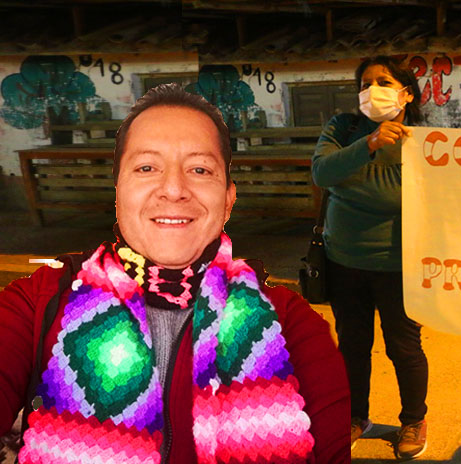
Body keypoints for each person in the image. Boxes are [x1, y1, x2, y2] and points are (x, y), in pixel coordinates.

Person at [0, 83, 351, 464]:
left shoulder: (291, 326)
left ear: (228, 199)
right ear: (118, 193)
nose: (173, 189)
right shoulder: (39, 303)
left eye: (200, 169)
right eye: (146, 168)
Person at [311, 56, 429, 460]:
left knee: (404, 348)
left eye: (383, 81)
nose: (372, 89)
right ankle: (354, 417)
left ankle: (413, 419)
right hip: (344, 261)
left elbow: (400, 196)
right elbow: (322, 174)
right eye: (365, 83)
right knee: (352, 346)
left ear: (406, 93)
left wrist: (351, 182)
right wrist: (369, 145)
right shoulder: (344, 128)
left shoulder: (424, 141)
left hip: (399, 265)